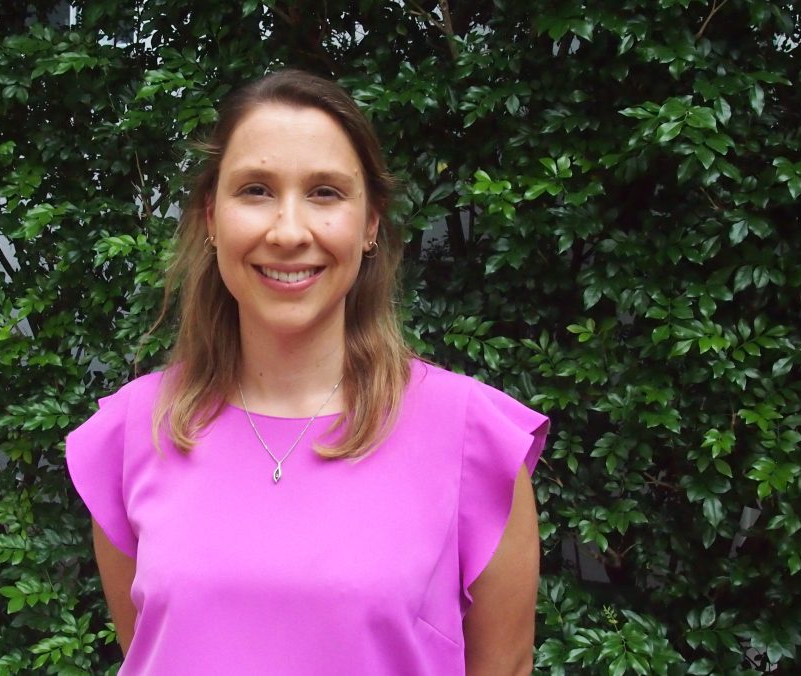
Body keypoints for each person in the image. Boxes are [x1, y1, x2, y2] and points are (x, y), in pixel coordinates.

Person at [65, 69, 549, 675]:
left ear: (370, 223)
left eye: (324, 192)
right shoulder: (132, 432)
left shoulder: (473, 441)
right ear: (211, 218)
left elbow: (505, 667)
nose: (289, 232)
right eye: (256, 190)